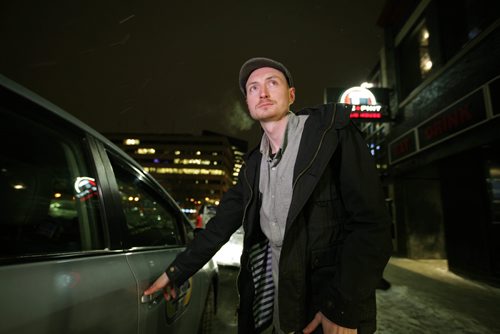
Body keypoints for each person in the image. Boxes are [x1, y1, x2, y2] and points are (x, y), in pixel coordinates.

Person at [144, 57, 392, 334]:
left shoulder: (333, 136)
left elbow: (372, 226)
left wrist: (342, 307)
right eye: (253, 88)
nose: (262, 93)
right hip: (272, 306)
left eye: (272, 83)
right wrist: (175, 273)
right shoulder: (252, 166)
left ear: (291, 95)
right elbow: (218, 228)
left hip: (326, 307)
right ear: (248, 104)